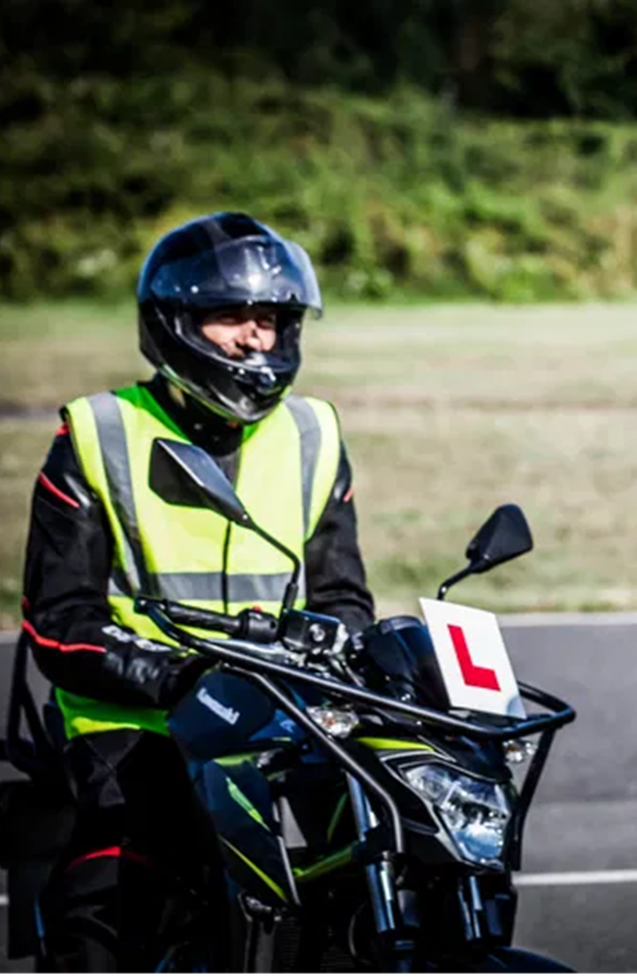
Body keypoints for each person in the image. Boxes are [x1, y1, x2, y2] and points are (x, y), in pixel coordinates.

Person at [19, 212, 375, 970]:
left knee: (364, 878)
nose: (256, 337)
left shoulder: (313, 434)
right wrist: (182, 678)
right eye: (231, 317)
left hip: (280, 723)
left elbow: (345, 599)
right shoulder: (99, 431)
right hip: (130, 727)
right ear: (174, 324)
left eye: (271, 319)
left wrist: (337, 650)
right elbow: (59, 624)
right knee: (114, 915)